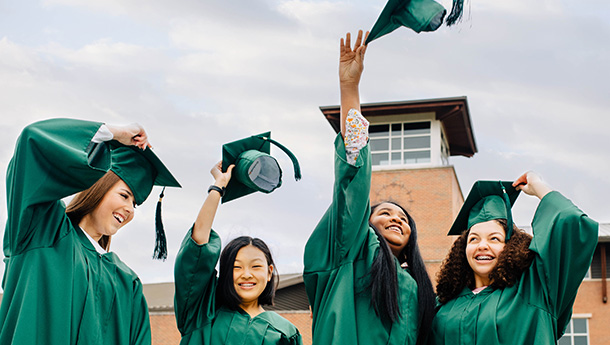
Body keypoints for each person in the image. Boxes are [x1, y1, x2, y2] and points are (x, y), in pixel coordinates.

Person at [303, 30, 436, 345]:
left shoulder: (418, 286)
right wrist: (349, 88)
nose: (397, 219)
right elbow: (352, 184)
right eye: (386, 212)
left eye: (404, 219)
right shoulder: (351, 252)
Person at [0, 118, 180, 345]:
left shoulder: (126, 282)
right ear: (98, 186)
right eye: (124, 195)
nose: (128, 209)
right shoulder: (42, 230)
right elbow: (32, 142)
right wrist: (114, 134)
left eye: (134, 204)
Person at [429, 172, 599, 345]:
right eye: (473, 239)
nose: (482, 245)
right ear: (462, 249)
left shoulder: (535, 289)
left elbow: (572, 221)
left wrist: (538, 186)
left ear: (510, 246)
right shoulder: (443, 304)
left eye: (494, 238)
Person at [173, 161, 302, 345]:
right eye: (236, 266)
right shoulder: (202, 315)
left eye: (256, 266)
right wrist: (217, 187)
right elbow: (197, 249)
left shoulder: (285, 333)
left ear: (269, 271)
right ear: (225, 273)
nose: (246, 274)